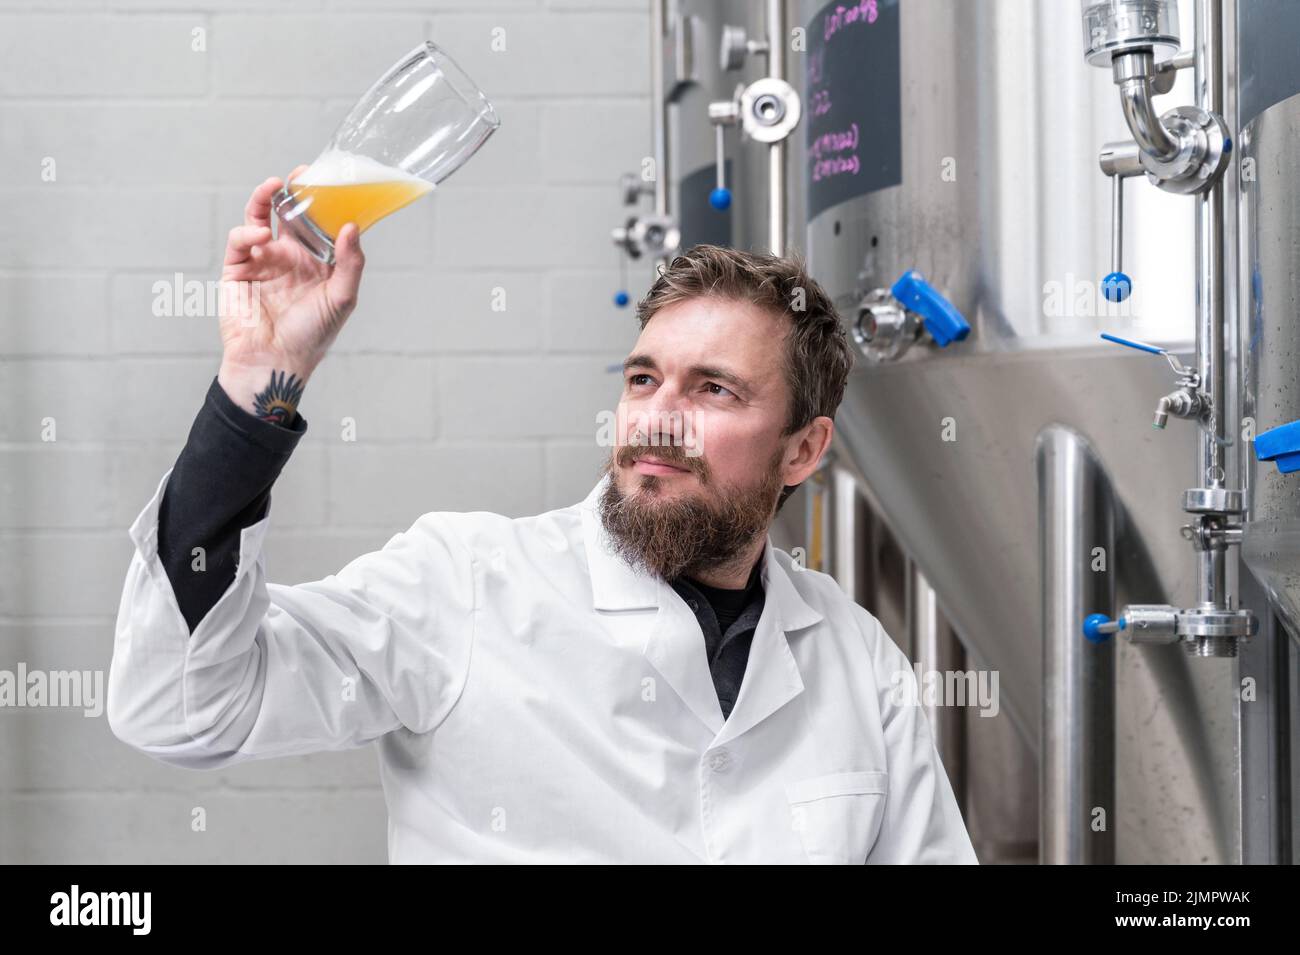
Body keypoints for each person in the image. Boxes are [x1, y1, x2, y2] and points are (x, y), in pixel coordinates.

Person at [107, 172, 979, 864]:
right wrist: (257, 385)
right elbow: (182, 708)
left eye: (713, 389)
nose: (658, 418)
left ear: (803, 449)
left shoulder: (855, 658)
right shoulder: (465, 585)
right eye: (644, 379)